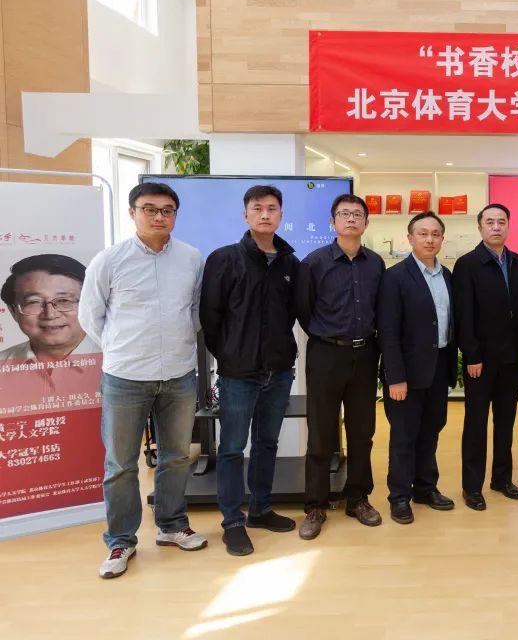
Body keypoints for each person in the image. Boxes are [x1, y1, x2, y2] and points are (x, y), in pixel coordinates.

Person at [79, 182, 206, 579]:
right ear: (133, 212)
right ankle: (121, 540)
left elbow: (196, 310)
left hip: (178, 373)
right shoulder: (109, 260)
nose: (158, 216)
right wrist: (120, 347)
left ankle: (172, 525)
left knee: (176, 456)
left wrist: (179, 344)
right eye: (149, 209)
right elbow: (90, 315)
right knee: (120, 463)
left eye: (167, 210)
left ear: (175, 215)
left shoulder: (191, 258)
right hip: (125, 377)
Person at [200, 185, 300, 555]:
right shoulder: (224, 259)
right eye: (257, 208)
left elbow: (291, 314)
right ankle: (232, 522)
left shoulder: (290, 263)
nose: (265, 214)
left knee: (267, 443)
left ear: (281, 215)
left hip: (279, 371)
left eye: (272, 208)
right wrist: (230, 355)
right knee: (231, 448)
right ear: (245, 215)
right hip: (238, 374)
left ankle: (260, 509)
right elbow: (210, 317)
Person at [295, 194, 385, 540]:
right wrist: (327, 336)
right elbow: (304, 310)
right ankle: (315, 505)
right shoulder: (314, 263)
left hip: (365, 354)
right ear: (332, 222)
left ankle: (357, 498)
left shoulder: (375, 263)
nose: (351, 219)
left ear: (366, 223)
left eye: (357, 214)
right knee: (321, 434)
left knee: (362, 432)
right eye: (344, 214)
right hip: (326, 354)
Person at [377, 211, 457, 524]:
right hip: (406, 375)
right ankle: (399, 496)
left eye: (435, 234)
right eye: (423, 233)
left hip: (438, 368)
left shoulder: (446, 275)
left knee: (431, 431)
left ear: (442, 239)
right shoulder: (395, 276)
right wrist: (395, 377)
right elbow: (388, 331)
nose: (429, 239)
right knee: (404, 436)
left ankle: (425, 488)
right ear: (410, 238)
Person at [452, 203, 518, 511]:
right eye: (490, 222)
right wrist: (471, 354)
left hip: (511, 358)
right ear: (480, 227)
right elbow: (464, 314)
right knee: (476, 424)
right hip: (480, 361)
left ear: (508, 226)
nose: (496, 226)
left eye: (501, 222)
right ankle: (472, 486)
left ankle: (501, 479)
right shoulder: (467, 264)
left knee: (506, 422)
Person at [0, 254, 98, 363]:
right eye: (34, 302)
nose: (50, 315)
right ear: (13, 311)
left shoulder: (111, 355)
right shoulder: (3, 363)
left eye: (64, 300)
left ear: (88, 304)